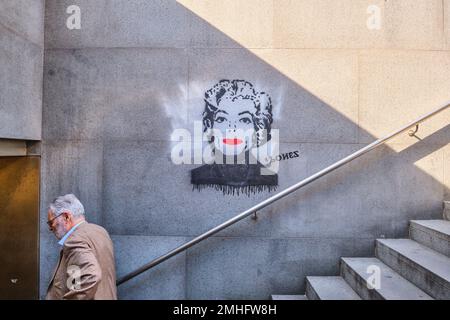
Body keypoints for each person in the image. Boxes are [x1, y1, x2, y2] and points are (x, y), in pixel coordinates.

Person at [191, 79, 278, 195]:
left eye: (244, 120)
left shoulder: (269, 178)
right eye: (222, 119)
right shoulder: (199, 177)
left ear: (258, 128)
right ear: (209, 125)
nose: (232, 128)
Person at [46, 194, 117, 300]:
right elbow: (77, 278)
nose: (51, 229)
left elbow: (91, 276)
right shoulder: (100, 231)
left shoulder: (74, 240)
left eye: (51, 222)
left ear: (66, 217)